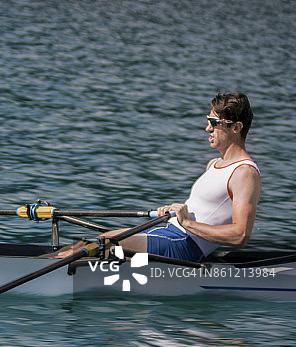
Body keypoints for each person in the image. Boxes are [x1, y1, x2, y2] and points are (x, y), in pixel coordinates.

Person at [56, 92, 260, 262]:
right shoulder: (214, 164)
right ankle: (48, 263)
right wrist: (176, 212)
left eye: (214, 122)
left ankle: (47, 273)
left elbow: (240, 235)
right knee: (91, 244)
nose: (208, 128)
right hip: (170, 233)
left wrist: (187, 222)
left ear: (236, 127)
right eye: (209, 121)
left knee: (102, 247)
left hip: (184, 246)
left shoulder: (245, 173)